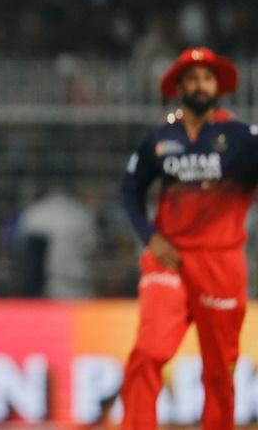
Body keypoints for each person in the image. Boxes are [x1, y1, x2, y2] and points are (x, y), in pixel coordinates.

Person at [119, 47, 258, 429]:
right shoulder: (159, 138)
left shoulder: (243, 137)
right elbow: (129, 191)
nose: (201, 85)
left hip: (221, 264)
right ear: (179, 87)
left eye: (207, 78)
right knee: (148, 352)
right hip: (170, 259)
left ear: (218, 86)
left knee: (219, 369)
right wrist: (150, 238)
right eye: (192, 78)